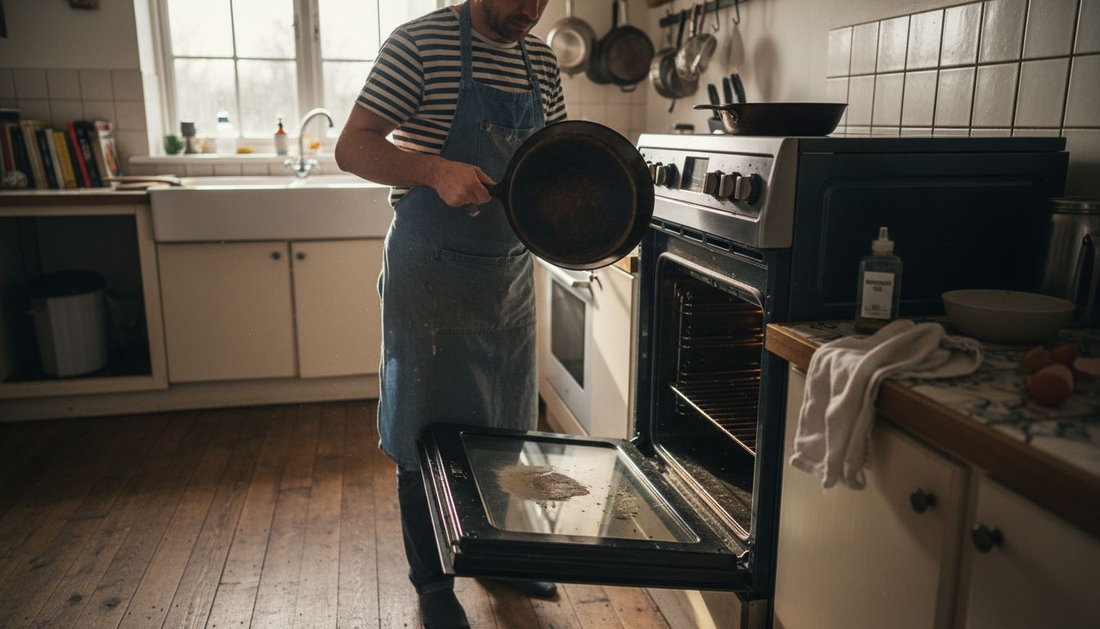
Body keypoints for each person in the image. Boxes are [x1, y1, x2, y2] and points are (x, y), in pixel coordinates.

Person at [334, 1, 565, 627]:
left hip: (508, 271)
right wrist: (433, 169)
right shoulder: (418, 44)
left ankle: (500, 555)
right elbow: (352, 148)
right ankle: (433, 584)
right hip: (432, 267)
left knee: (506, 424)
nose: (530, 9)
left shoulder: (540, 59)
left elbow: (551, 160)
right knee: (425, 430)